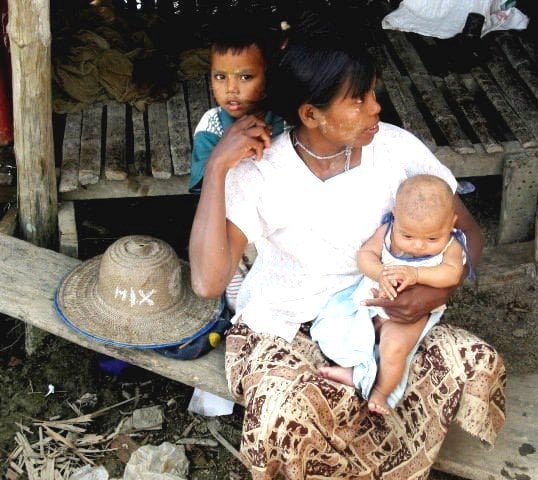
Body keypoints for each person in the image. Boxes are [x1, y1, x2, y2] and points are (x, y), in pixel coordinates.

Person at [189, 9, 505, 478]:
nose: (376, 107)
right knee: (289, 413)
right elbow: (207, 281)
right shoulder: (261, 171)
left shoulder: (395, 149)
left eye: (372, 93)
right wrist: (216, 169)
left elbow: (469, 232)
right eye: (358, 99)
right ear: (310, 114)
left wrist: (438, 291)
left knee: (471, 360)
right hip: (284, 327)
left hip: (373, 318)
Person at [312, 173, 472, 415]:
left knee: (394, 349)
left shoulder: (451, 245)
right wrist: (380, 272)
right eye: (407, 235)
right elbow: (365, 256)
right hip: (370, 303)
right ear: (395, 216)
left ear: (451, 224)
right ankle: (355, 371)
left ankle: (379, 391)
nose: (418, 245)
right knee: (342, 329)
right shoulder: (387, 232)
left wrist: (417, 275)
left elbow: (451, 274)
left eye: (431, 238)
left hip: (409, 316)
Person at [188, 7, 286, 311]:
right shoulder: (212, 126)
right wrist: (228, 157)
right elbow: (208, 195)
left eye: (245, 76)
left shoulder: (283, 122)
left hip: (277, 223)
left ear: (268, 77)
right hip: (232, 228)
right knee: (240, 299)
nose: (231, 88)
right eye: (220, 77)